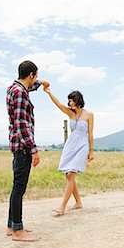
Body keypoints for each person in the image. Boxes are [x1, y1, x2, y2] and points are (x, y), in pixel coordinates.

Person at [6, 60, 49, 241]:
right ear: (31, 74)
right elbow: (22, 125)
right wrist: (34, 150)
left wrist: (42, 84)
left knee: (17, 187)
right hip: (23, 148)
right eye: (36, 76)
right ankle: (18, 231)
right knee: (19, 188)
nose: (36, 79)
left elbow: (29, 88)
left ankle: (11, 226)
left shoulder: (14, 89)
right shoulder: (21, 94)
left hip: (17, 146)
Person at [43, 86, 94, 216]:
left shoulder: (89, 114)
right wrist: (49, 92)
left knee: (71, 174)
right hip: (70, 145)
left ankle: (62, 206)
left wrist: (91, 151)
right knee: (68, 175)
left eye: (71, 100)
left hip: (82, 145)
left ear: (77, 100)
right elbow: (58, 104)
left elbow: (90, 134)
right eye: (69, 101)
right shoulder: (70, 113)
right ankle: (78, 202)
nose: (69, 103)